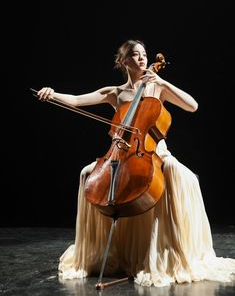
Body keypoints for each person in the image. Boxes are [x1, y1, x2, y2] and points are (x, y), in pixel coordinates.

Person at [37, 39, 235, 287]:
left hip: (154, 153)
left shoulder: (156, 89)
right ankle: (104, 247)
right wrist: (52, 94)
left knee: (173, 169)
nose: (142, 58)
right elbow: (77, 100)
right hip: (122, 155)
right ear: (123, 62)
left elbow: (192, 105)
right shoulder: (115, 93)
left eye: (144, 54)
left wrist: (162, 82)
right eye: (135, 55)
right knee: (87, 172)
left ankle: (163, 251)